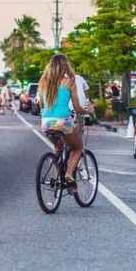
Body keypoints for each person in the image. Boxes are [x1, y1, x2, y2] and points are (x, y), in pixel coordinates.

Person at [38, 54, 92, 191]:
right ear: (65, 66)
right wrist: (87, 110)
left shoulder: (43, 82)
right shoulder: (70, 82)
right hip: (63, 121)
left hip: (46, 122)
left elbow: (41, 104)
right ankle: (68, 175)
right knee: (77, 147)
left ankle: (56, 178)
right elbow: (77, 107)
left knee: (58, 149)